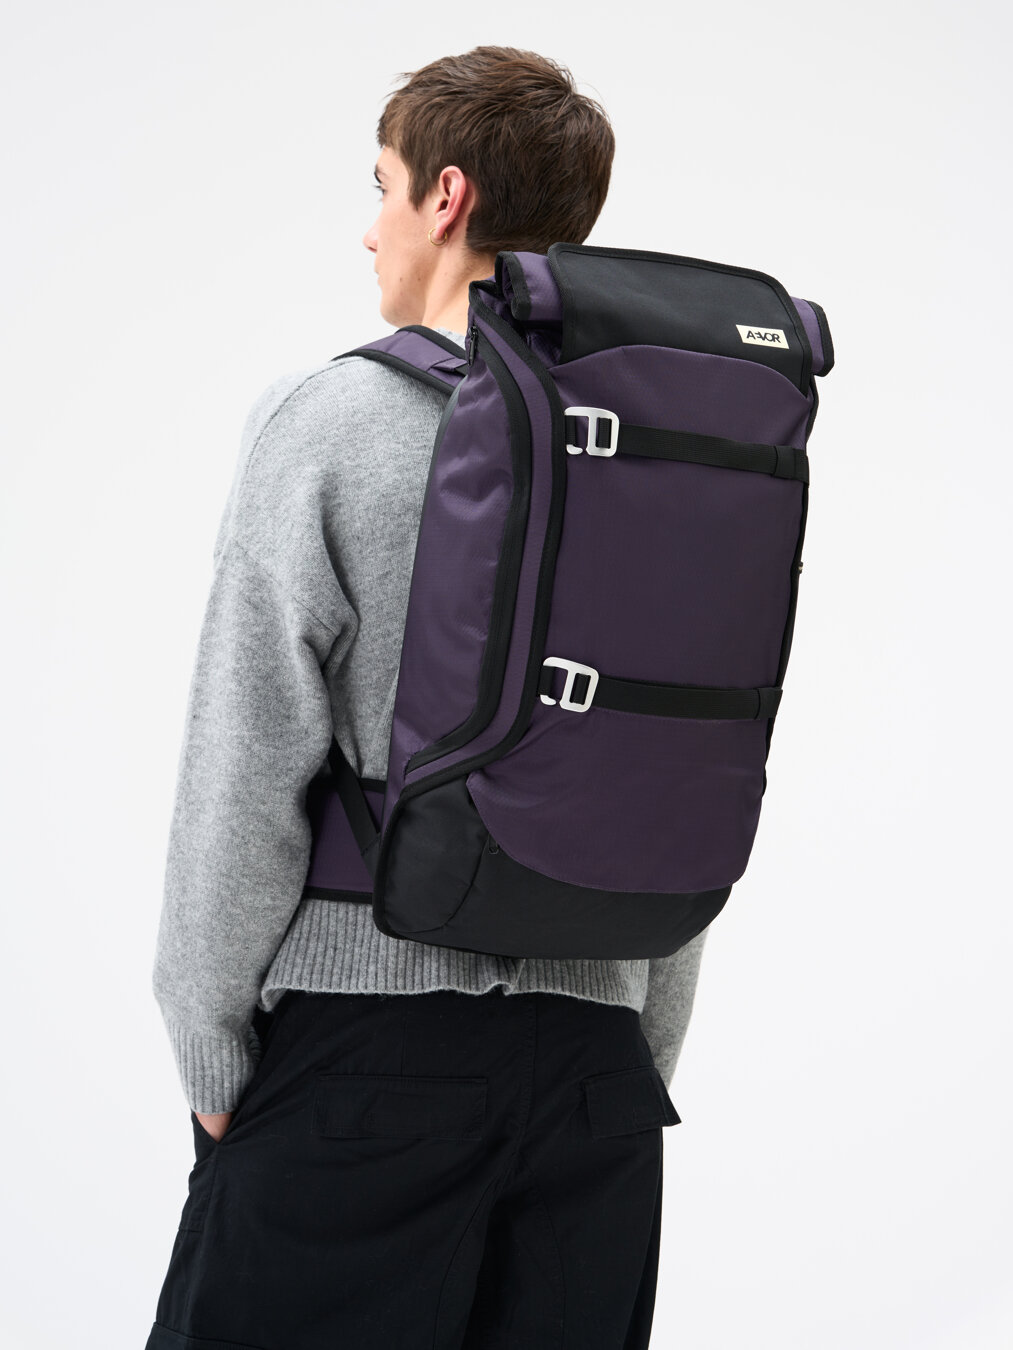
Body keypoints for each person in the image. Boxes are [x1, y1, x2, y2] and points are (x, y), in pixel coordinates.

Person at [145, 45, 711, 1350]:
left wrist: (213, 1053)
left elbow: (242, 766)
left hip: (363, 1063)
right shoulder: (656, 448)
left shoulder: (331, 420)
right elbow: (676, 771)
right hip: (596, 1087)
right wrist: (627, 1047)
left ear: (445, 198)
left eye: (382, 186)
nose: (371, 227)